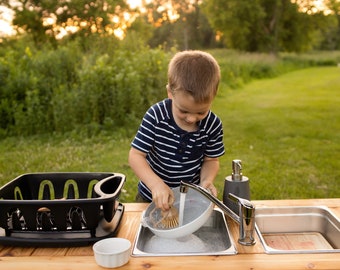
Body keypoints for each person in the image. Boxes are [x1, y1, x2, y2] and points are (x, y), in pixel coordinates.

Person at [128, 50, 225, 211]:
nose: (191, 119)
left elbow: (211, 160)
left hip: (190, 198)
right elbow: (136, 155)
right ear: (170, 93)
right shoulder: (156, 116)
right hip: (152, 196)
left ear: (213, 97)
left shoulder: (212, 125)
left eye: (201, 112)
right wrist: (156, 185)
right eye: (184, 111)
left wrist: (206, 181)